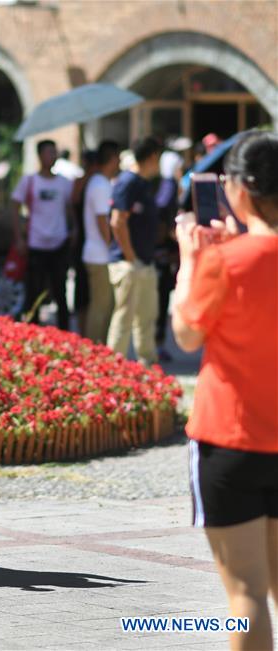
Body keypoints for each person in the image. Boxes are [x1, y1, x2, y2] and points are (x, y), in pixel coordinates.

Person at [172, 130, 278, 651]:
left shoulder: (226, 260)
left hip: (230, 439)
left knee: (246, 598)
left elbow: (187, 333)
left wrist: (190, 260)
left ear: (238, 189)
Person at [106, 136, 163, 366]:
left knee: (146, 317)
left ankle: (147, 363)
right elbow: (117, 221)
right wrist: (130, 257)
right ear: (152, 157)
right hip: (128, 263)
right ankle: (113, 366)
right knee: (124, 318)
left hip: (145, 262)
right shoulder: (127, 182)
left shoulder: (143, 183)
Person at [11, 139, 74, 329]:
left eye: (55, 152)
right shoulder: (29, 181)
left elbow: (70, 208)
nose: (52, 156)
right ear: (40, 156)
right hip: (36, 244)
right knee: (34, 292)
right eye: (49, 152)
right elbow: (15, 206)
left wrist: (74, 230)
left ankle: (65, 333)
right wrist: (19, 238)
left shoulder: (64, 183)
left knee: (60, 293)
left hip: (59, 243)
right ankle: (32, 332)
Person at [82, 140, 120, 344]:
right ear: (112, 159)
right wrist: (111, 247)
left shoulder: (100, 183)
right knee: (101, 307)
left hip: (98, 253)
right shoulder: (100, 184)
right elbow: (101, 220)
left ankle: (97, 348)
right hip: (99, 255)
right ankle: (94, 349)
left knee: (104, 306)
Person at [154, 150, 183, 361]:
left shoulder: (159, 184)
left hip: (160, 250)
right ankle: (157, 343)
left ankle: (157, 342)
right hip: (163, 252)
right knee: (161, 299)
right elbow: (163, 211)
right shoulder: (169, 186)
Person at [70, 149, 98, 337]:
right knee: (82, 294)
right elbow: (74, 203)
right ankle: (83, 332)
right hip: (83, 241)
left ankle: (89, 332)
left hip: (88, 241)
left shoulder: (98, 183)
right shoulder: (81, 183)